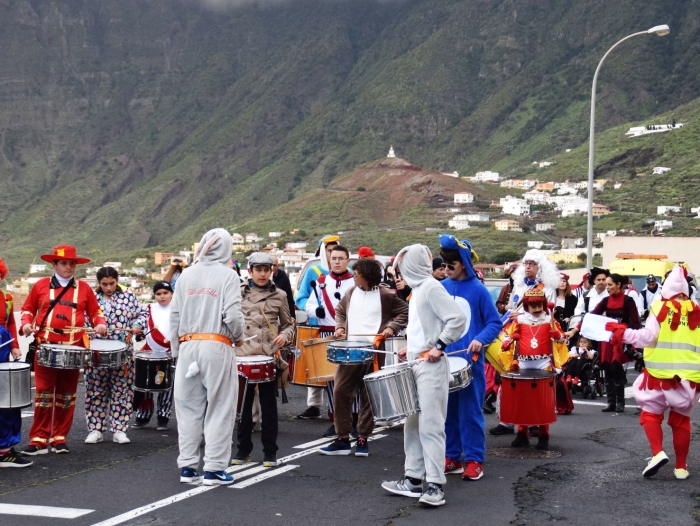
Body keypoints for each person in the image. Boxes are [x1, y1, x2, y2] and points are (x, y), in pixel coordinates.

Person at [382, 244, 466, 507]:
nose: (399, 274)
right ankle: (413, 479)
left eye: (402, 268)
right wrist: (414, 347)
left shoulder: (430, 287)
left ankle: (435, 486)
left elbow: (457, 319)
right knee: (413, 424)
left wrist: (439, 346)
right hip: (417, 362)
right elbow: (426, 326)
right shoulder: (419, 290)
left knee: (431, 426)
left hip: (431, 367)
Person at [172, 228, 245, 486]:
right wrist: (238, 336)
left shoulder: (185, 275)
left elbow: (175, 316)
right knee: (220, 407)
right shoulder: (228, 276)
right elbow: (233, 315)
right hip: (217, 344)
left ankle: (188, 467)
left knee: (188, 409)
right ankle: (214, 468)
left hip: (187, 346)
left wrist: (175, 350)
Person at [21, 245, 107, 455]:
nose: (68, 267)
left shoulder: (84, 289)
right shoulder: (40, 286)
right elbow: (28, 309)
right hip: (45, 347)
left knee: (67, 395)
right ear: (54, 265)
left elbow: (96, 312)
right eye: (64, 263)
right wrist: (25, 324)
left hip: (73, 349)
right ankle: (38, 439)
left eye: (71, 263)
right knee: (43, 394)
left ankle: (59, 437)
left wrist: (100, 323)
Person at [617, 265, 700, 479]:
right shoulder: (697, 310)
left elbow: (647, 338)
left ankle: (658, 453)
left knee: (651, 414)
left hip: (658, 375)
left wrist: (623, 334)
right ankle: (681, 467)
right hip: (689, 379)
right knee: (681, 421)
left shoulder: (659, 307)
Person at [320, 258, 408, 457]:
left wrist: (390, 328)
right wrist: (340, 327)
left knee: (369, 396)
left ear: (366, 276)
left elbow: (404, 311)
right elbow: (340, 310)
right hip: (350, 351)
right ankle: (342, 438)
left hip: (374, 351)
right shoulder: (351, 292)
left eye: (356, 274)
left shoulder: (386, 294)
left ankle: (362, 438)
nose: (354, 276)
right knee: (341, 392)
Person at [438, 235, 501, 480]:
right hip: (445, 360)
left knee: (470, 412)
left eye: (450, 265)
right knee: (448, 413)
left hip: (471, 362)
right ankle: (452, 457)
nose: (446, 270)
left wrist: (480, 339)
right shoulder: (442, 288)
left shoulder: (478, 290)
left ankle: (475, 459)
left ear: (463, 263)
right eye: (443, 265)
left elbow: (494, 322)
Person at [233, 253, 294, 467]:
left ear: (272, 272)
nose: (262, 274)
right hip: (243, 356)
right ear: (249, 271)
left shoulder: (280, 295)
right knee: (244, 406)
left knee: (268, 407)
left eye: (266, 270)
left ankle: (270, 452)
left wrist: (284, 336)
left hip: (268, 355)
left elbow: (289, 324)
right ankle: (242, 450)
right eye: (258, 269)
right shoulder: (237, 293)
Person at [490, 250, 558, 436]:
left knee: (537, 383)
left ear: (540, 267)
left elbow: (549, 315)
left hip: (537, 339)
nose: (527, 266)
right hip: (517, 337)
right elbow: (512, 309)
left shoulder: (548, 288)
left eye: (532, 263)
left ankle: (536, 420)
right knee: (508, 379)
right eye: (526, 263)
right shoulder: (518, 285)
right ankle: (507, 420)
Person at [84, 267, 147, 445]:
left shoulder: (129, 297)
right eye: (104, 284)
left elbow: (143, 313)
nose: (109, 287)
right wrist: (88, 330)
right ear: (99, 283)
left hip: (123, 354)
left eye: (112, 283)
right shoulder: (92, 299)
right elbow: (82, 319)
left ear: (117, 280)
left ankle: (119, 429)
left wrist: (137, 325)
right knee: (95, 391)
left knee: (122, 392)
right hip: (96, 354)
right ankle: (95, 429)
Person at [499, 288, 566, 450]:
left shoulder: (549, 320)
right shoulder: (519, 320)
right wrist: (507, 342)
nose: (537, 310)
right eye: (533, 306)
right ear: (526, 306)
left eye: (540, 306)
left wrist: (558, 336)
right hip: (523, 363)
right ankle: (522, 433)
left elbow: (562, 339)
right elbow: (506, 336)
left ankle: (544, 434)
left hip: (544, 363)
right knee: (523, 399)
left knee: (543, 401)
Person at [305, 244, 357, 437]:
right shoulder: (320, 282)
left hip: (349, 335)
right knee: (331, 381)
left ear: (347, 261)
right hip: (327, 334)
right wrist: (314, 311)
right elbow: (309, 304)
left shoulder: (355, 282)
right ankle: (336, 420)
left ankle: (354, 419)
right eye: (333, 258)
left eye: (340, 258)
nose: (336, 262)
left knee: (351, 379)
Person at [295, 234, 339, 420]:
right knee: (316, 366)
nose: (332, 255)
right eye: (329, 251)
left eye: (335, 251)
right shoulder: (313, 271)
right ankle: (314, 405)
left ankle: (337, 408)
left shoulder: (349, 271)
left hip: (339, 327)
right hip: (317, 325)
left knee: (337, 369)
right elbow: (301, 298)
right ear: (323, 252)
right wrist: (314, 310)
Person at [588, 273, 641, 412]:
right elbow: (592, 315)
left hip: (621, 340)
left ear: (618, 285)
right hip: (607, 339)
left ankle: (620, 402)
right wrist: (577, 328)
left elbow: (635, 323)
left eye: (610, 285)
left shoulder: (628, 300)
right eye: (606, 285)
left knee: (616, 368)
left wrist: (632, 343)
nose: (608, 288)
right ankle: (611, 402)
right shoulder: (605, 301)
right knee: (606, 368)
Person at [0, 258, 31, 467]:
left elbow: (10, 323)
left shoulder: (6, 298)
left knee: (7, 399)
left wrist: (15, 345)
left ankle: (6, 448)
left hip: (4, 346)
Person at [133, 281, 175, 430]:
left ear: (171, 293)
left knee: (167, 385)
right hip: (150, 351)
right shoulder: (149, 309)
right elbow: (141, 325)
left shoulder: (178, 308)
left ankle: (163, 417)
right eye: (158, 294)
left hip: (170, 352)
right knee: (145, 385)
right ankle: (143, 416)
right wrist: (138, 331)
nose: (162, 296)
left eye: (165, 293)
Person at [566, 267, 610, 339]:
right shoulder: (586, 295)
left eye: (603, 279)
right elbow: (578, 311)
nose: (601, 282)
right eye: (599, 280)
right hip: (587, 329)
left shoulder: (611, 295)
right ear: (594, 281)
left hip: (605, 330)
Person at [271, 256, 296, 323]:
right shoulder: (264, 278)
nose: (272, 267)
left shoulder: (283, 277)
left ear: (278, 266)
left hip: (280, 312)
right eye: (270, 265)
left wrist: (292, 317)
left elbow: (289, 299)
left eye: (274, 265)